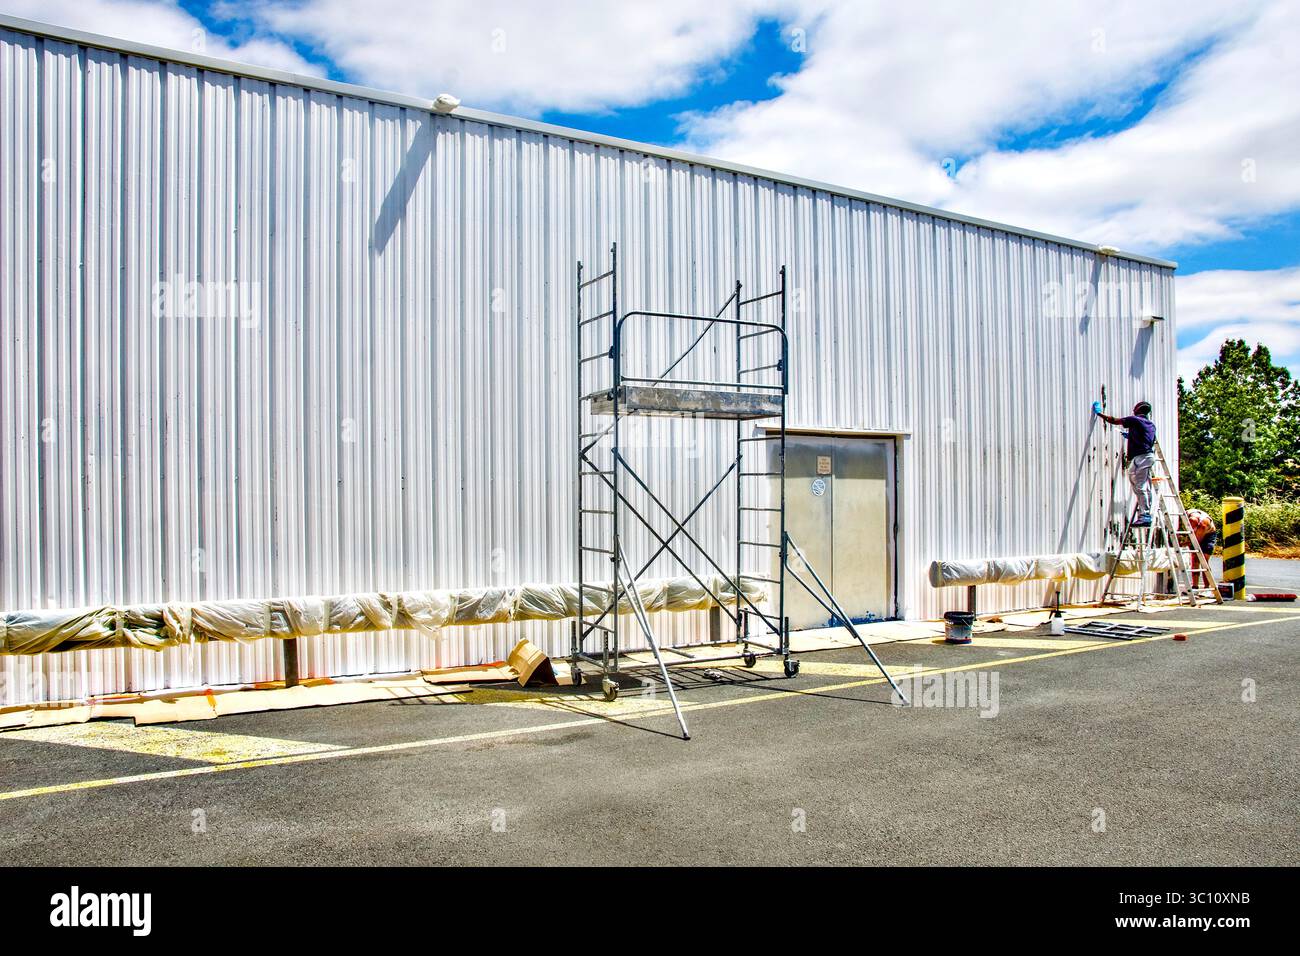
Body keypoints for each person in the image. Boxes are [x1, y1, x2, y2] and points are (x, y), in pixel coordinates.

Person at [1097, 401, 1157, 527]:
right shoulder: (1150, 424)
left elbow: (1114, 420)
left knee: (1140, 486)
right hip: (1147, 456)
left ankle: (1145, 516)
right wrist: (1130, 436)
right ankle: (1145, 513)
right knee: (1139, 484)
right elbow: (1147, 439)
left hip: (1141, 457)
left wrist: (1100, 414)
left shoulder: (1135, 420)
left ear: (1137, 410)